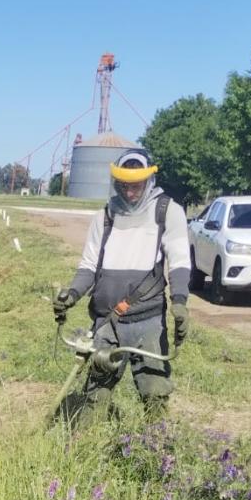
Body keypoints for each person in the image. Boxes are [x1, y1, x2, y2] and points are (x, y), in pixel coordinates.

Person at [51, 148, 190, 422]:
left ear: (148, 181)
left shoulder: (167, 211)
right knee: (95, 392)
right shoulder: (105, 216)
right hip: (106, 322)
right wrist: (73, 293)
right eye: (124, 186)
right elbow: (89, 265)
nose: (129, 192)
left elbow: (180, 260)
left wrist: (180, 302)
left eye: (136, 186)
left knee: (154, 392)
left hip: (148, 321)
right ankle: (83, 447)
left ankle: (157, 451)